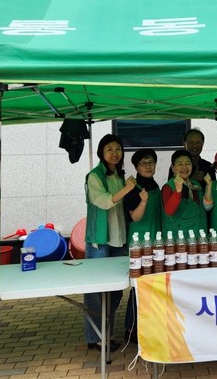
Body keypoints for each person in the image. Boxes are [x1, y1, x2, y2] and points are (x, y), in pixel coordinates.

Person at [84, 134, 132, 351]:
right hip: (100, 242)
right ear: (101, 153)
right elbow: (103, 201)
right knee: (96, 292)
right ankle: (95, 338)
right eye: (109, 149)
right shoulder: (94, 176)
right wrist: (127, 189)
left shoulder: (120, 176)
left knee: (115, 290)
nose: (115, 153)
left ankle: (106, 334)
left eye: (118, 149)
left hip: (119, 240)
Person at [123, 148, 160, 345]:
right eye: (143, 163)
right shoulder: (132, 188)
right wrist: (143, 202)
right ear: (136, 167)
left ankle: (149, 327)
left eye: (151, 162)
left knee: (153, 286)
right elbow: (135, 217)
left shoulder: (155, 185)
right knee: (139, 286)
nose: (148, 166)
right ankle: (131, 329)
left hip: (156, 241)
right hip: (139, 243)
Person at [162, 149, 212, 234]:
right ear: (172, 168)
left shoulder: (196, 184)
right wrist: (178, 191)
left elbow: (205, 207)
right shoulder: (168, 187)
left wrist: (209, 187)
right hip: (180, 238)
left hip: (200, 234)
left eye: (188, 163)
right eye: (180, 164)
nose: (184, 167)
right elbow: (169, 211)